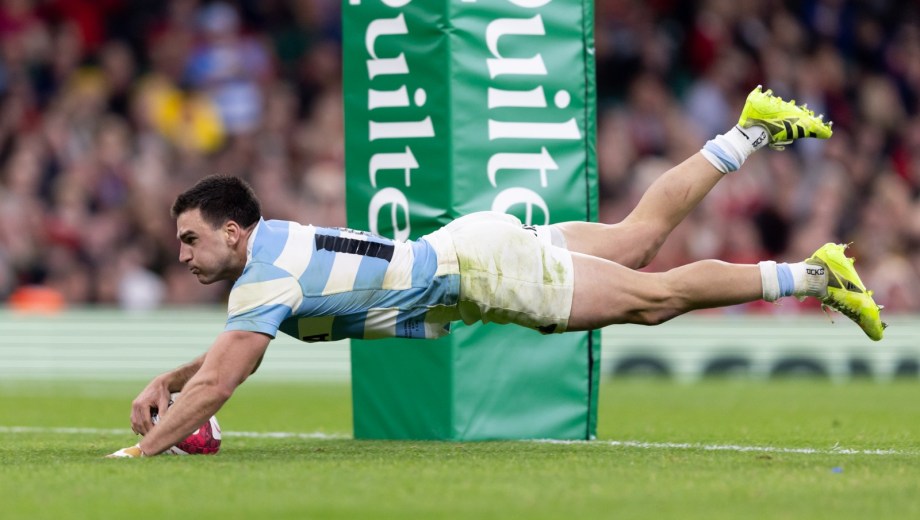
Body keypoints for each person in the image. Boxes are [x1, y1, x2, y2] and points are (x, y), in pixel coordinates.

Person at [107, 86, 885, 458]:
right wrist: (171, 380)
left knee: (653, 299)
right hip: (470, 246)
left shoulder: (263, 280)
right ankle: (748, 130)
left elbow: (221, 382)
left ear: (232, 231)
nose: (182, 255)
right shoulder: (272, 253)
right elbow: (228, 358)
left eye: (189, 240)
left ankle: (813, 277)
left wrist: (138, 454)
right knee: (639, 238)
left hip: (479, 274)